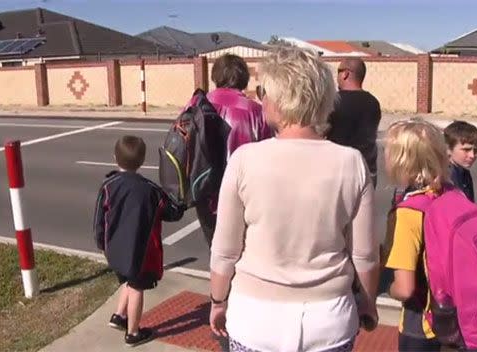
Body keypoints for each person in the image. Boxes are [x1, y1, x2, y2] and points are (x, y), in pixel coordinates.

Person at [208, 47, 380, 352]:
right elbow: (364, 255)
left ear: (276, 98)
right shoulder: (351, 162)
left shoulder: (245, 160)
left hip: (255, 319)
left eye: (263, 92)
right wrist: (368, 302)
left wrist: (218, 301)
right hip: (328, 321)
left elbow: (225, 251)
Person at [93, 136, 185, 347]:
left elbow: (99, 218)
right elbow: (171, 212)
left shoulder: (108, 186)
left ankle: (119, 316)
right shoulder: (151, 190)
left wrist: (101, 244)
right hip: (139, 251)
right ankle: (133, 333)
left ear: (115, 158)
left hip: (113, 250)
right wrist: (180, 199)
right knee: (136, 287)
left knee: (128, 279)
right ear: (142, 160)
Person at [184, 53, 273, 248]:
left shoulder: (195, 104)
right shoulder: (256, 112)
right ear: (244, 78)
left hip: (204, 190)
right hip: (244, 195)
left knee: (216, 250)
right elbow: (269, 154)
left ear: (216, 76)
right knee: (243, 250)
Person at [382, 119, 450, 352]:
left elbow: (405, 288)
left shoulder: (410, 212)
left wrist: (388, 290)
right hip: (452, 316)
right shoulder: (450, 194)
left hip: (421, 322)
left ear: (402, 161)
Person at [327, 57, 382, 188]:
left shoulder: (333, 102)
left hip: (340, 173)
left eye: (339, 71)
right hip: (368, 171)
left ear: (346, 73)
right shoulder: (373, 102)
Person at [443, 120, 477, 202]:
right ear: (448, 149)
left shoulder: (464, 173)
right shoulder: (445, 178)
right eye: (466, 150)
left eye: (475, 150)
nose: (472, 155)